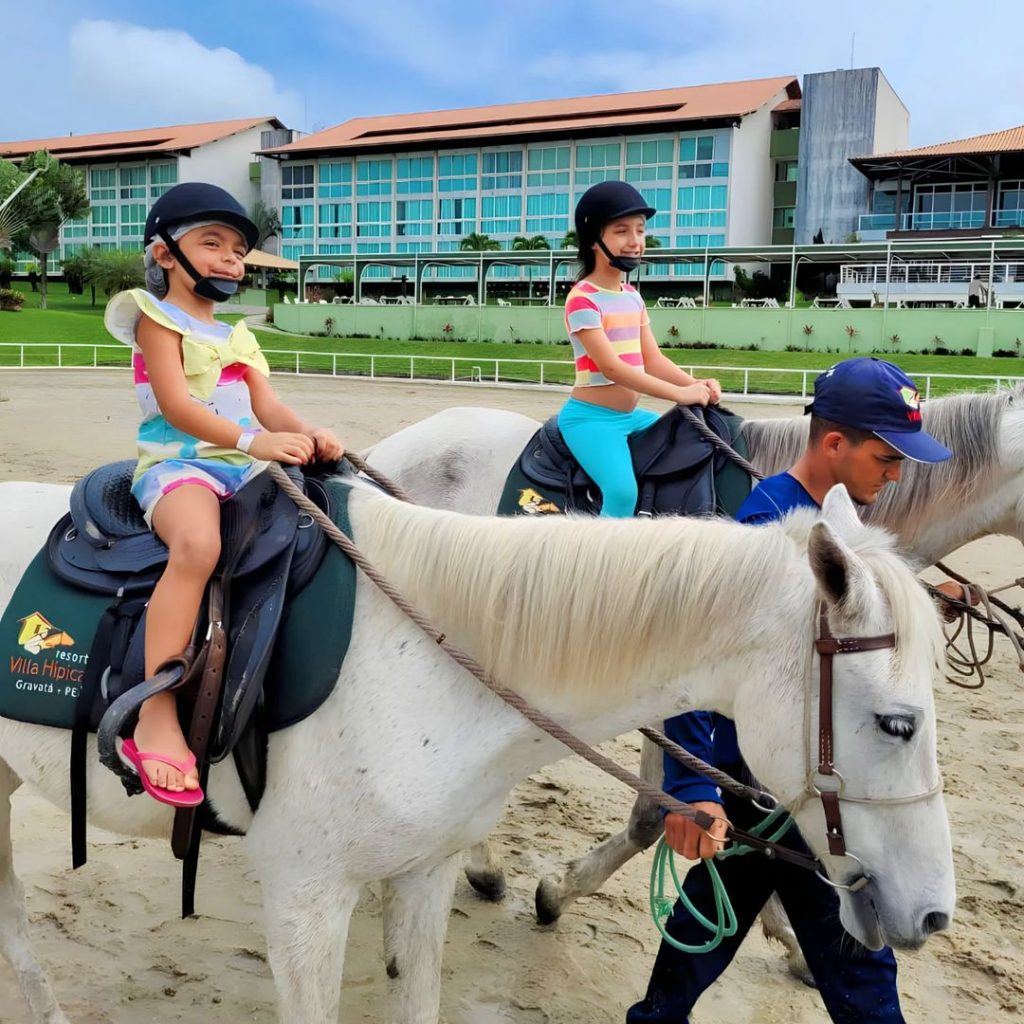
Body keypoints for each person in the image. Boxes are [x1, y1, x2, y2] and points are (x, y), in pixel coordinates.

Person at [627, 357, 968, 1024]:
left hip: (791, 781)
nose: (896, 473)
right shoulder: (768, 526)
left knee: (716, 920)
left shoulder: (831, 518)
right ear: (835, 444)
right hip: (759, 776)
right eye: (886, 457)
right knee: (850, 962)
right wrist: (692, 786)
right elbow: (701, 659)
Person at [103, 182, 344, 808]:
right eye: (211, 243)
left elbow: (270, 405)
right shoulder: (155, 319)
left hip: (244, 468)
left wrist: (306, 431)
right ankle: (153, 710)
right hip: (182, 466)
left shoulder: (238, 336)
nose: (229, 259)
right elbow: (180, 407)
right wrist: (253, 441)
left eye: (238, 250)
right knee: (198, 547)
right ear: (163, 254)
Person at [559, 181, 721, 517]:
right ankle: (596, 565)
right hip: (592, 421)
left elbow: (653, 359)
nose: (635, 241)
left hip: (631, 417)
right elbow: (613, 368)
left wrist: (695, 384)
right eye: (622, 231)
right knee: (621, 492)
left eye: (640, 231)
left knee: (692, 441)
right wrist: (680, 394)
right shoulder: (582, 299)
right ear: (593, 240)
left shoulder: (632, 296)